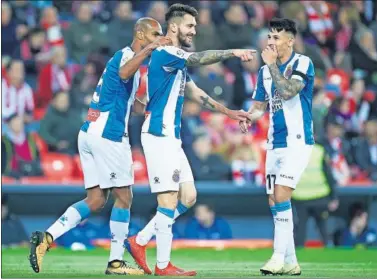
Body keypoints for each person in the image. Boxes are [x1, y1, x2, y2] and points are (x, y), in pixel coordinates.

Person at [28, 18, 171, 275]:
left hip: (90, 132)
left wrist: (153, 109)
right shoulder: (126, 57)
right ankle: (115, 262)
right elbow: (125, 73)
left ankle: (46, 237)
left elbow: (132, 103)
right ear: (139, 33)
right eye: (154, 33)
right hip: (108, 135)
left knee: (95, 200)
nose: (159, 37)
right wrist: (151, 49)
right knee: (125, 197)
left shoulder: (130, 62)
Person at [125, 3, 255, 276]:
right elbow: (198, 59)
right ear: (173, 26)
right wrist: (232, 52)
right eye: (190, 26)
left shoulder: (177, 60)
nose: (194, 31)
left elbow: (197, 94)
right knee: (169, 200)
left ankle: (139, 241)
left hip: (171, 136)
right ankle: (163, 266)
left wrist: (230, 112)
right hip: (159, 133)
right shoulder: (165, 52)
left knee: (189, 196)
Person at [239, 18, 315, 275]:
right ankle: (291, 262)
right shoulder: (263, 72)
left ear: (290, 41)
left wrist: (271, 66)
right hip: (275, 142)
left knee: (282, 193)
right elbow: (261, 106)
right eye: (269, 37)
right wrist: (249, 117)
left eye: (276, 38)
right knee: (274, 200)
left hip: (298, 141)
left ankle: (277, 257)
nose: (270, 42)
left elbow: (289, 91)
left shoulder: (302, 63)